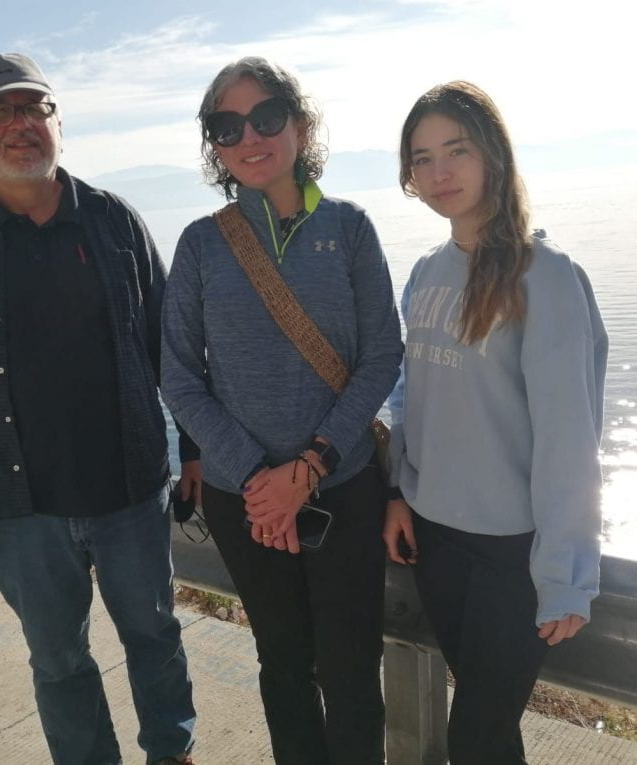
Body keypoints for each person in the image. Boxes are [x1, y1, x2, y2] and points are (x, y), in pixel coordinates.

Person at [0, 52, 197, 765]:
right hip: (17, 506)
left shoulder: (115, 220)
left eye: (36, 109)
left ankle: (173, 751)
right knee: (58, 660)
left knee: (154, 633)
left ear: (59, 123)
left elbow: (170, 349)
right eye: (1, 112)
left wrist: (196, 449)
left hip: (128, 490)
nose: (21, 124)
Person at [160, 57, 403, 765]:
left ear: (299, 125)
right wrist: (258, 480)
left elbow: (383, 357)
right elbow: (179, 377)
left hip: (344, 486)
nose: (249, 137)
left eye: (266, 117)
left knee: (352, 668)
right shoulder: (202, 245)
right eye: (226, 126)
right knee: (284, 664)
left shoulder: (350, 230)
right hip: (249, 505)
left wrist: (310, 463)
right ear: (214, 145)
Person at [383, 80, 608, 764]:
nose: (439, 171)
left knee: (474, 737)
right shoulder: (426, 273)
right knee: (492, 739)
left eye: (456, 149)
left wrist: (566, 572)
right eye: (422, 158)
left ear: (494, 157)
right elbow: (407, 396)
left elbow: (571, 435)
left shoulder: (547, 276)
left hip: (512, 554)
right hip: (436, 539)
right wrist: (398, 490)